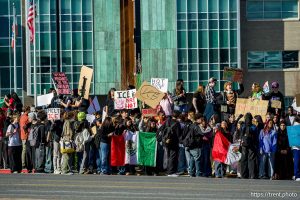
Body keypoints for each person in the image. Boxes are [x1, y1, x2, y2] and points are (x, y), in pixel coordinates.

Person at [240, 113, 258, 179]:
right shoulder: (254, 127)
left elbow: (241, 135)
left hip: (244, 145)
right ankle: (252, 175)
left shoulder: (243, 126)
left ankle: (244, 175)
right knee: (251, 160)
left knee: (244, 160)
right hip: (252, 145)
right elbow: (256, 137)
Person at [291, 116, 300, 181]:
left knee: (296, 161)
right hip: (297, 147)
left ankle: (296, 175)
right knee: (297, 162)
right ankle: (297, 175)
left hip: (294, 147)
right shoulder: (297, 126)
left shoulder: (293, 126)